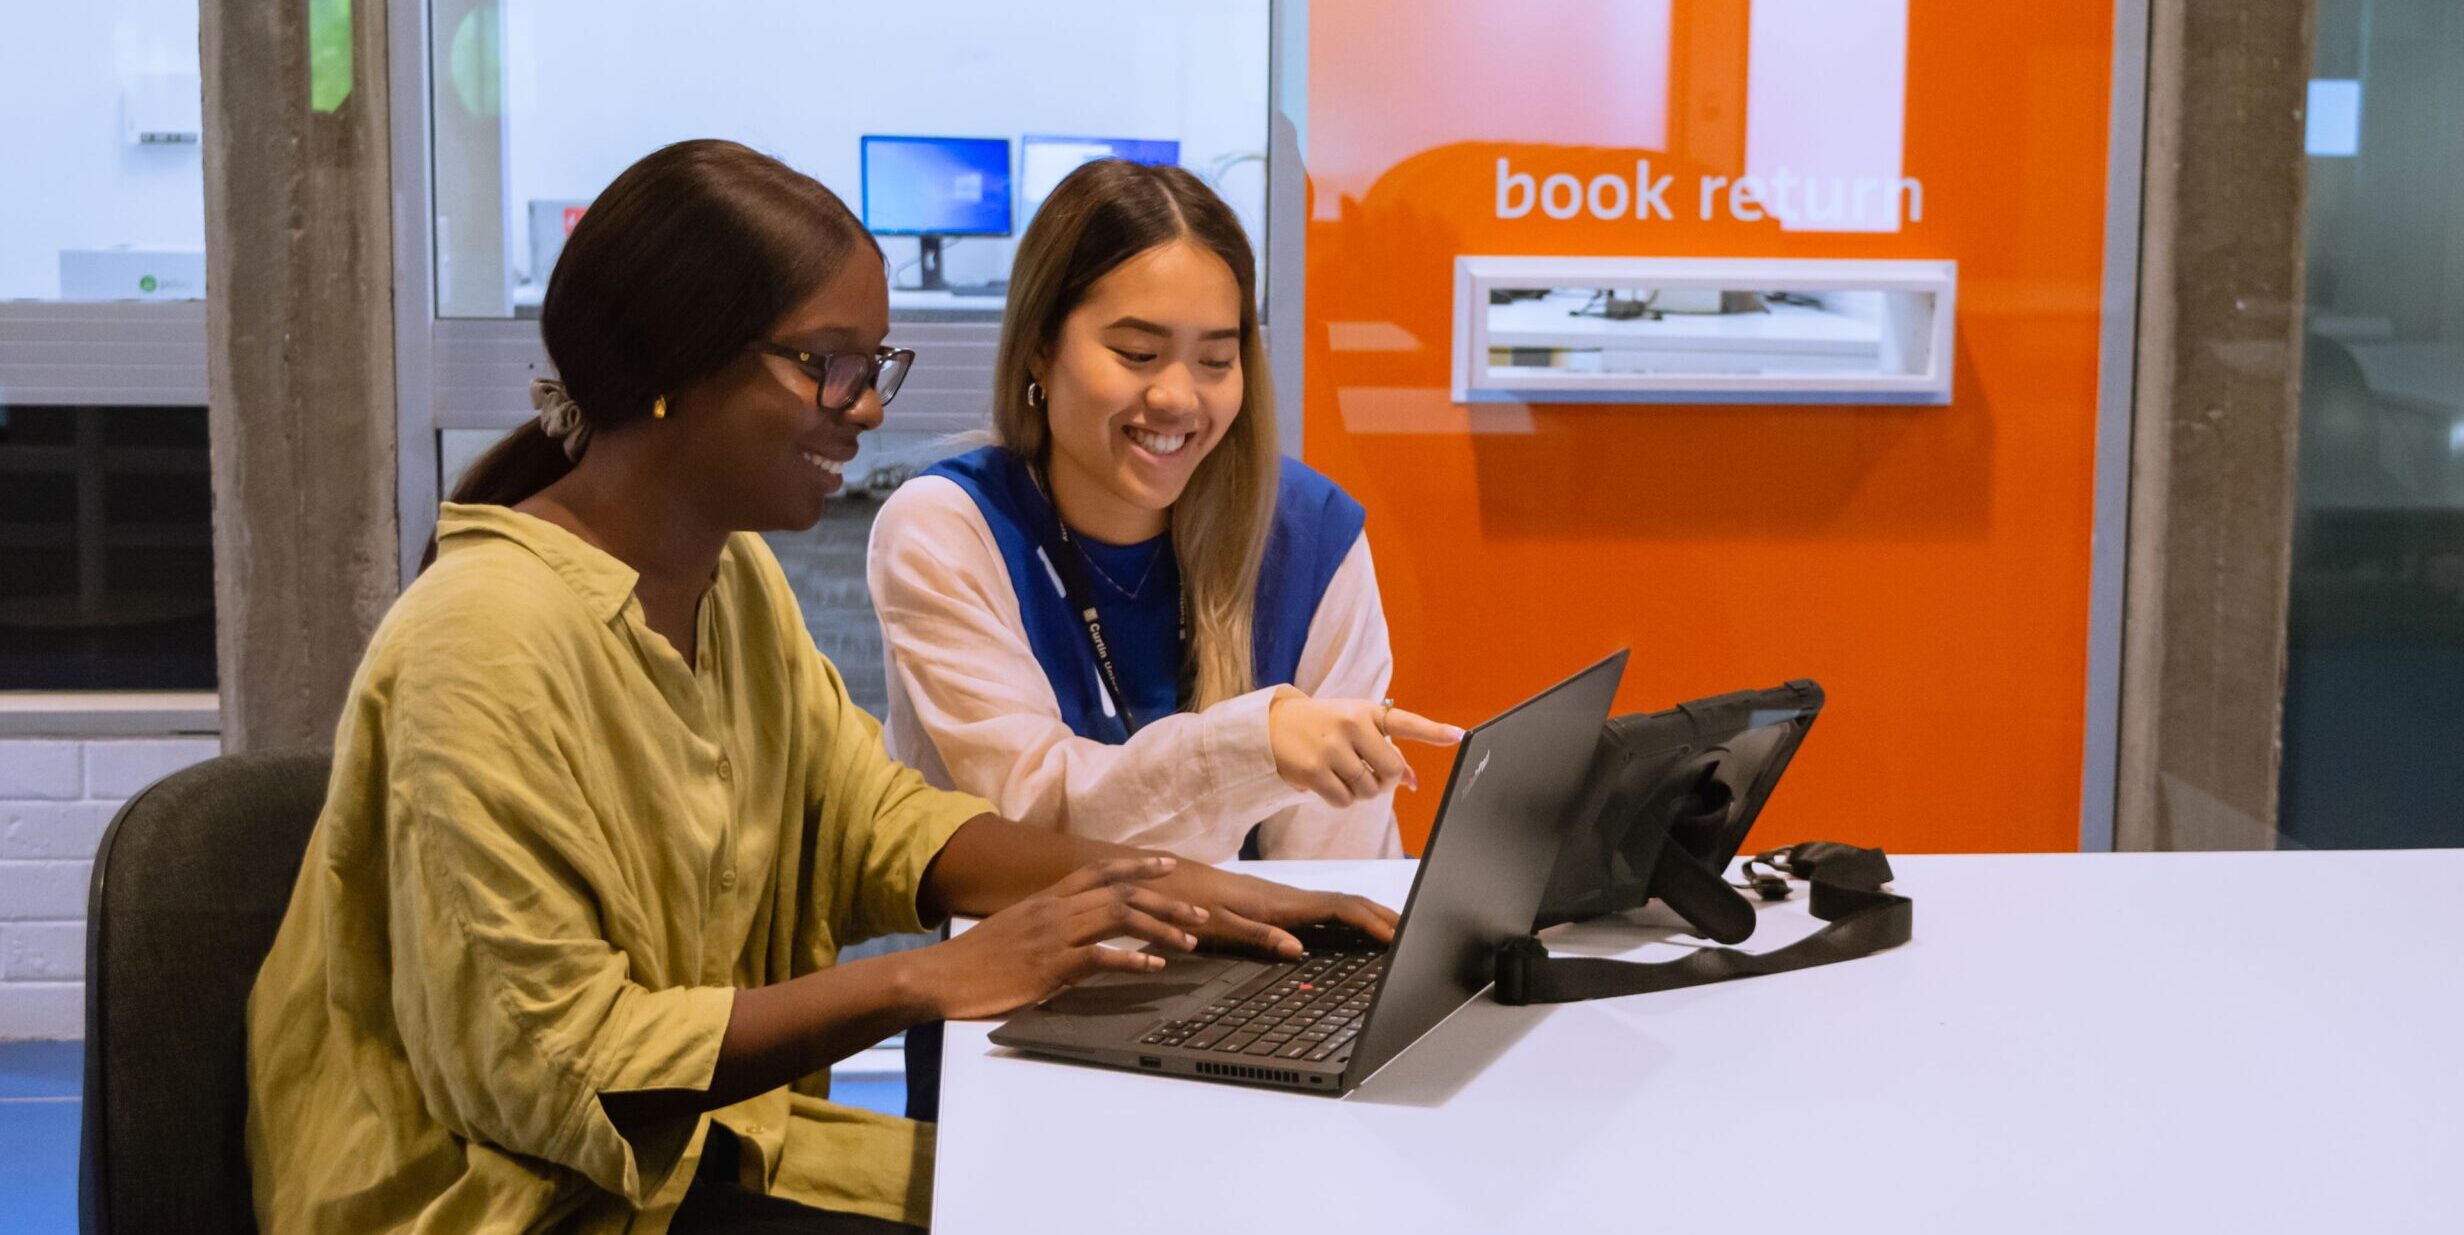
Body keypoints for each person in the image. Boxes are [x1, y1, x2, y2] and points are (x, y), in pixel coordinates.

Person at [243, 139, 1394, 1235]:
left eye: (873, 365)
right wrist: (930, 977)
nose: (867, 405)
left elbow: (879, 821)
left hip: (704, 1146)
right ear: (669, 367)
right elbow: (550, 1065)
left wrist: (1213, 894)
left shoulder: (728, 580)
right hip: (519, 1197)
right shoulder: (484, 637)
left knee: (1126, 1192)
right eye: (828, 365)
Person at [865, 158, 1460, 1124]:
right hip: (1020, 1034)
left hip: (1263, 1023)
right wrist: (1253, 740)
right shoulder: (947, 529)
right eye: (1137, 354)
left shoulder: (1308, 536)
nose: (1180, 397)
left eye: (1215, 360)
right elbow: (1026, 837)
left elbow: (1337, 879)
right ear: (1039, 350)